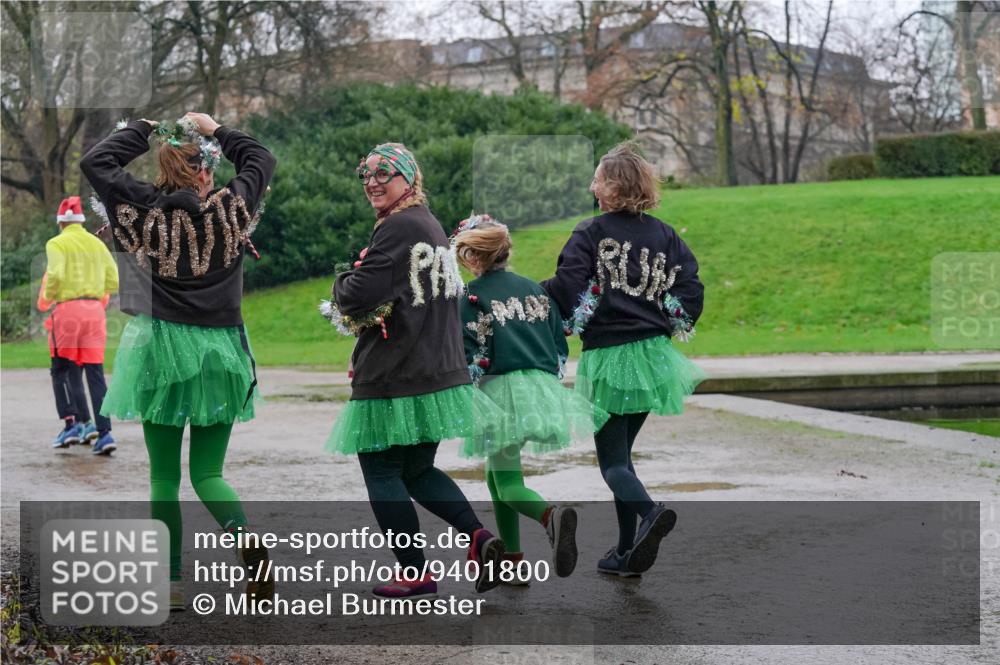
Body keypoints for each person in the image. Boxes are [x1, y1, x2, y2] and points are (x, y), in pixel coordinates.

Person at [80, 112, 276, 610]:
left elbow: (95, 162)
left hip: (160, 349)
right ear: (207, 170)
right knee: (209, 472)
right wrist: (216, 129)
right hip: (220, 351)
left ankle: (169, 581)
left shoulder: (141, 210)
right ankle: (244, 536)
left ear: (163, 171)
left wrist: (142, 129)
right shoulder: (231, 210)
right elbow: (261, 158)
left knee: (163, 477)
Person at [325, 143, 505, 599]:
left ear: (408, 177)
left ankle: (415, 573)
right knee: (419, 471)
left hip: (395, 374)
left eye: (383, 173)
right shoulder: (429, 225)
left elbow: (356, 294)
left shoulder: (399, 227)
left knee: (382, 471)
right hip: (437, 372)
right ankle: (479, 538)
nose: (372, 182)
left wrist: (343, 279)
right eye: (365, 175)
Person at [542, 141, 705, 577]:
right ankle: (626, 552)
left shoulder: (590, 233)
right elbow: (690, 288)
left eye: (597, 176)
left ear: (612, 187)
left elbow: (567, 285)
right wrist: (670, 320)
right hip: (654, 357)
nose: (592, 183)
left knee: (612, 463)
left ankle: (652, 514)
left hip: (610, 356)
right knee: (624, 459)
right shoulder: (665, 235)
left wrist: (533, 297)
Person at [454, 214, 609, 581]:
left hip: (498, 390)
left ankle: (550, 516)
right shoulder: (536, 291)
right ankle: (512, 560)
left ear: (472, 257)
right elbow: (558, 342)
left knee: (507, 482)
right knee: (498, 476)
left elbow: (467, 349)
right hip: (538, 390)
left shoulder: (471, 297)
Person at [38, 196, 119, 454]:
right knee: (95, 374)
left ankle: (71, 424)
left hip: (68, 310)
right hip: (95, 312)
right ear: (82, 221)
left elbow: (56, 275)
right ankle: (104, 433)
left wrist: (50, 297)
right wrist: (95, 291)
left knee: (61, 369)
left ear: (61, 222)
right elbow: (114, 280)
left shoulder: (56, 243)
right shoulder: (96, 244)